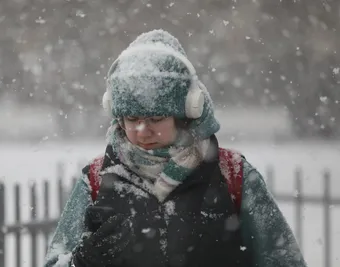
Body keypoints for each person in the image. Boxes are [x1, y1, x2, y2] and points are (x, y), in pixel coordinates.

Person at [44, 29, 307, 267]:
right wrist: (79, 262)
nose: (141, 130)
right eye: (131, 119)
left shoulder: (234, 176)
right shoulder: (95, 179)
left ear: (187, 112)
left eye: (156, 119)